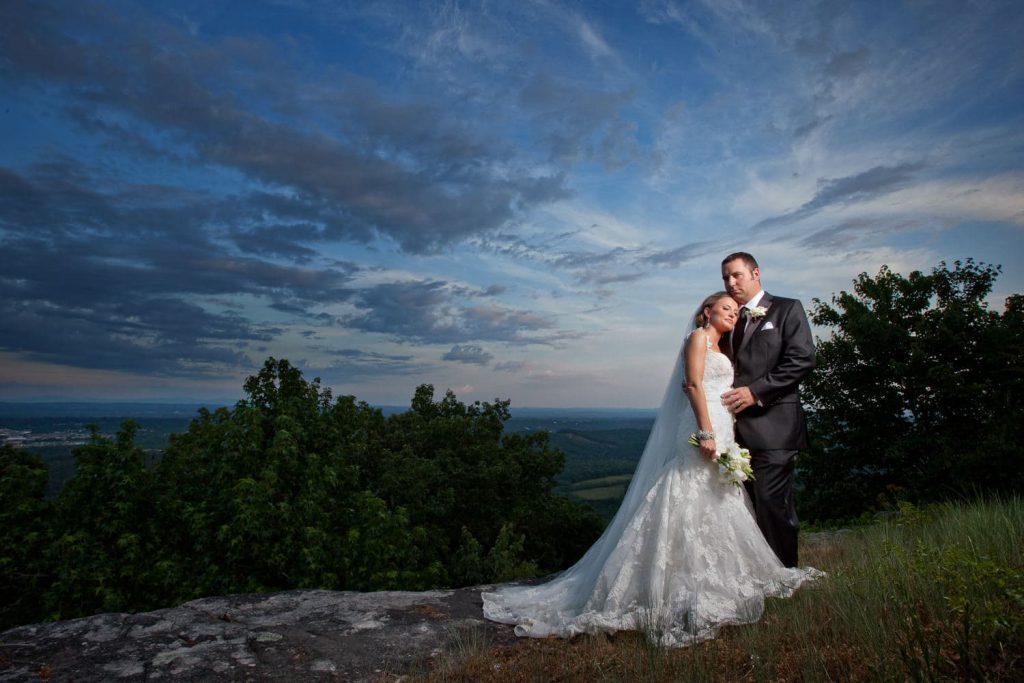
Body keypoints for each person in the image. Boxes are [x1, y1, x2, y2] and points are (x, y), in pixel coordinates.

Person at [481, 292, 820, 647]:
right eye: (726, 309)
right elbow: (691, 385)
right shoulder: (698, 339)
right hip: (701, 429)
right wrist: (705, 431)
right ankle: (670, 582)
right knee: (689, 491)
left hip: (724, 428)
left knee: (718, 497)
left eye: (736, 311)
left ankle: (711, 577)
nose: (733, 315)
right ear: (707, 312)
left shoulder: (723, 348)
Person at [720, 252, 815, 568]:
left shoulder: (787, 309)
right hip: (735, 433)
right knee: (746, 508)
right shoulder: (728, 319)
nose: (731, 283)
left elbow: (802, 359)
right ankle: (758, 576)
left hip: (776, 427)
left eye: (737, 275)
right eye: (726, 278)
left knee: (773, 504)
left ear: (756, 273)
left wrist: (756, 391)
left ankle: (785, 575)